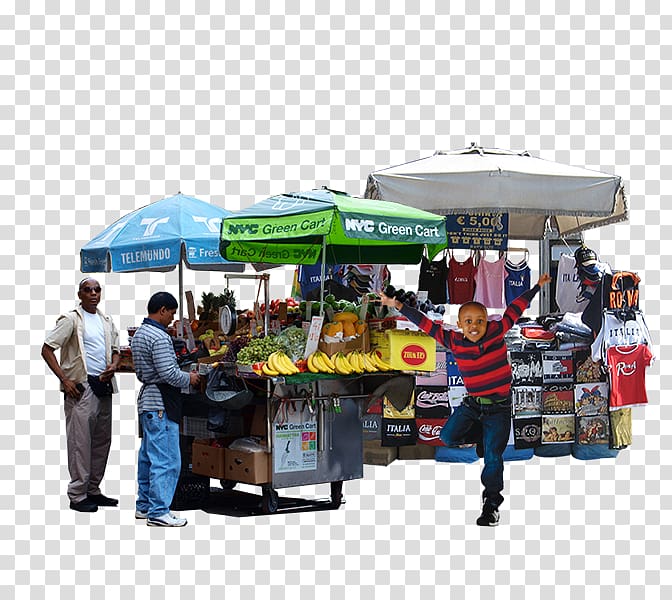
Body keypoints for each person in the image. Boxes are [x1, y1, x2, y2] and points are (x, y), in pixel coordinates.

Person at [381, 272, 551, 526]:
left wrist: (537, 286)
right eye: (468, 321)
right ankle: (482, 438)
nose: (475, 326)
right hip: (472, 405)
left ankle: (491, 504)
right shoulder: (453, 340)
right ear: (460, 324)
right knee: (448, 437)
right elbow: (425, 323)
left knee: (493, 458)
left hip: (499, 407)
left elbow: (516, 308)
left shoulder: (497, 331)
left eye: (480, 321)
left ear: (487, 322)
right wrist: (398, 305)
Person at [41, 278, 120, 512]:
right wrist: (64, 380)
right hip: (81, 387)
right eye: (88, 290)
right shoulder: (71, 319)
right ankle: (77, 494)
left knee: (102, 440)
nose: (93, 293)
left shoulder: (106, 320)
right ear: (80, 294)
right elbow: (47, 349)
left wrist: (114, 365)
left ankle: (93, 489)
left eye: (97, 290)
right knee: (80, 442)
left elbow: (116, 351)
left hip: (104, 384)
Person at [131, 292, 200, 527]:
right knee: (167, 459)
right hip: (160, 403)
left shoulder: (140, 333)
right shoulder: (159, 337)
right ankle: (159, 511)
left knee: (148, 458)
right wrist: (189, 378)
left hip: (148, 403)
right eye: (171, 313)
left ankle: (144, 505)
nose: (171, 319)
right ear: (162, 310)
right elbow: (169, 374)